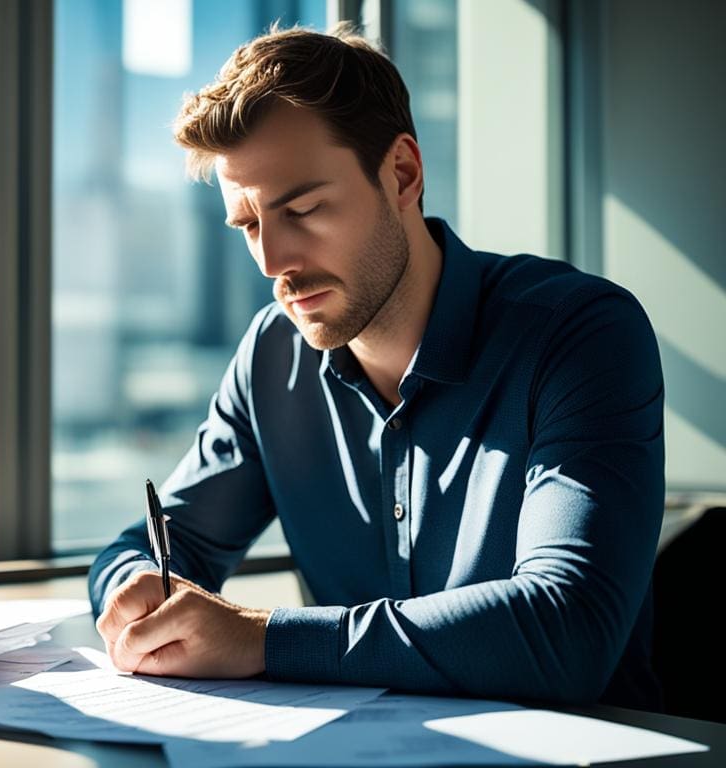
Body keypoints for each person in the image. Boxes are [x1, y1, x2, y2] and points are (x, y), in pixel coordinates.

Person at [88, 24, 665, 711]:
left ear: (402, 175)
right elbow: (148, 548)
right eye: (248, 225)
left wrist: (262, 640)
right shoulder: (272, 357)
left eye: (302, 208)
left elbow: (565, 628)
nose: (273, 262)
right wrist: (138, 597)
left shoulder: (581, 335)